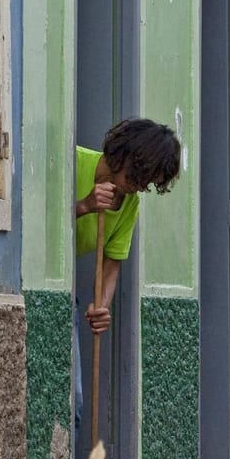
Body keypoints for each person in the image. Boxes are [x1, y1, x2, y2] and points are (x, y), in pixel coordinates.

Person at [75, 118, 183, 332]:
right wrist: (84, 205)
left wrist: (101, 306)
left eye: (149, 182)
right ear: (124, 153)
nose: (142, 186)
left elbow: (111, 265)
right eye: (140, 175)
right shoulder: (73, 162)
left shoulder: (129, 203)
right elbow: (37, 222)